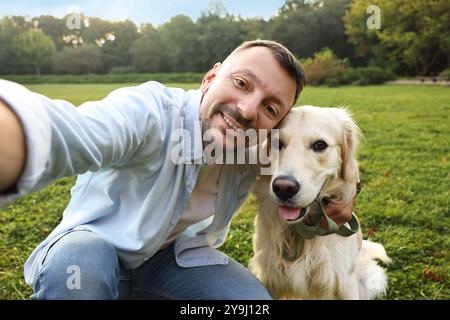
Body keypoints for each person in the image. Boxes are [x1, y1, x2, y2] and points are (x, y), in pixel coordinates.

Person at [0, 40, 355, 300]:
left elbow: (315, 158)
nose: (247, 109)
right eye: (242, 83)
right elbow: (70, 131)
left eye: (270, 107)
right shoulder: (149, 113)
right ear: (210, 77)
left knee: (250, 304)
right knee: (84, 274)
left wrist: (351, 189)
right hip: (93, 247)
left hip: (175, 260)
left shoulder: (260, 145)